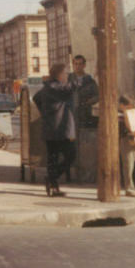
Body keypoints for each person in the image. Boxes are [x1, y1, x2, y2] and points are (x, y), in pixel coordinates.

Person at [33, 63, 79, 197]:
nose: (66, 75)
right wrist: (77, 76)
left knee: (53, 158)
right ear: (59, 74)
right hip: (60, 129)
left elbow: (36, 98)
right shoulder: (55, 86)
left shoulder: (49, 86)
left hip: (52, 128)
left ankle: (53, 185)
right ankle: (52, 179)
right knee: (70, 155)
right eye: (65, 73)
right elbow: (73, 87)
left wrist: (45, 113)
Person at [118, 96, 135, 197]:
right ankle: (129, 188)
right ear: (122, 105)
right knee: (128, 165)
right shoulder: (119, 115)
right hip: (127, 140)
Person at [69, 55, 99, 129]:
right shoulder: (68, 79)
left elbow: (97, 95)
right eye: (76, 64)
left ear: (84, 65)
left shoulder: (90, 81)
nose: (77, 66)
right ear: (73, 65)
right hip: (70, 114)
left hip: (85, 114)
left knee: (84, 136)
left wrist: (88, 102)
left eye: (80, 64)